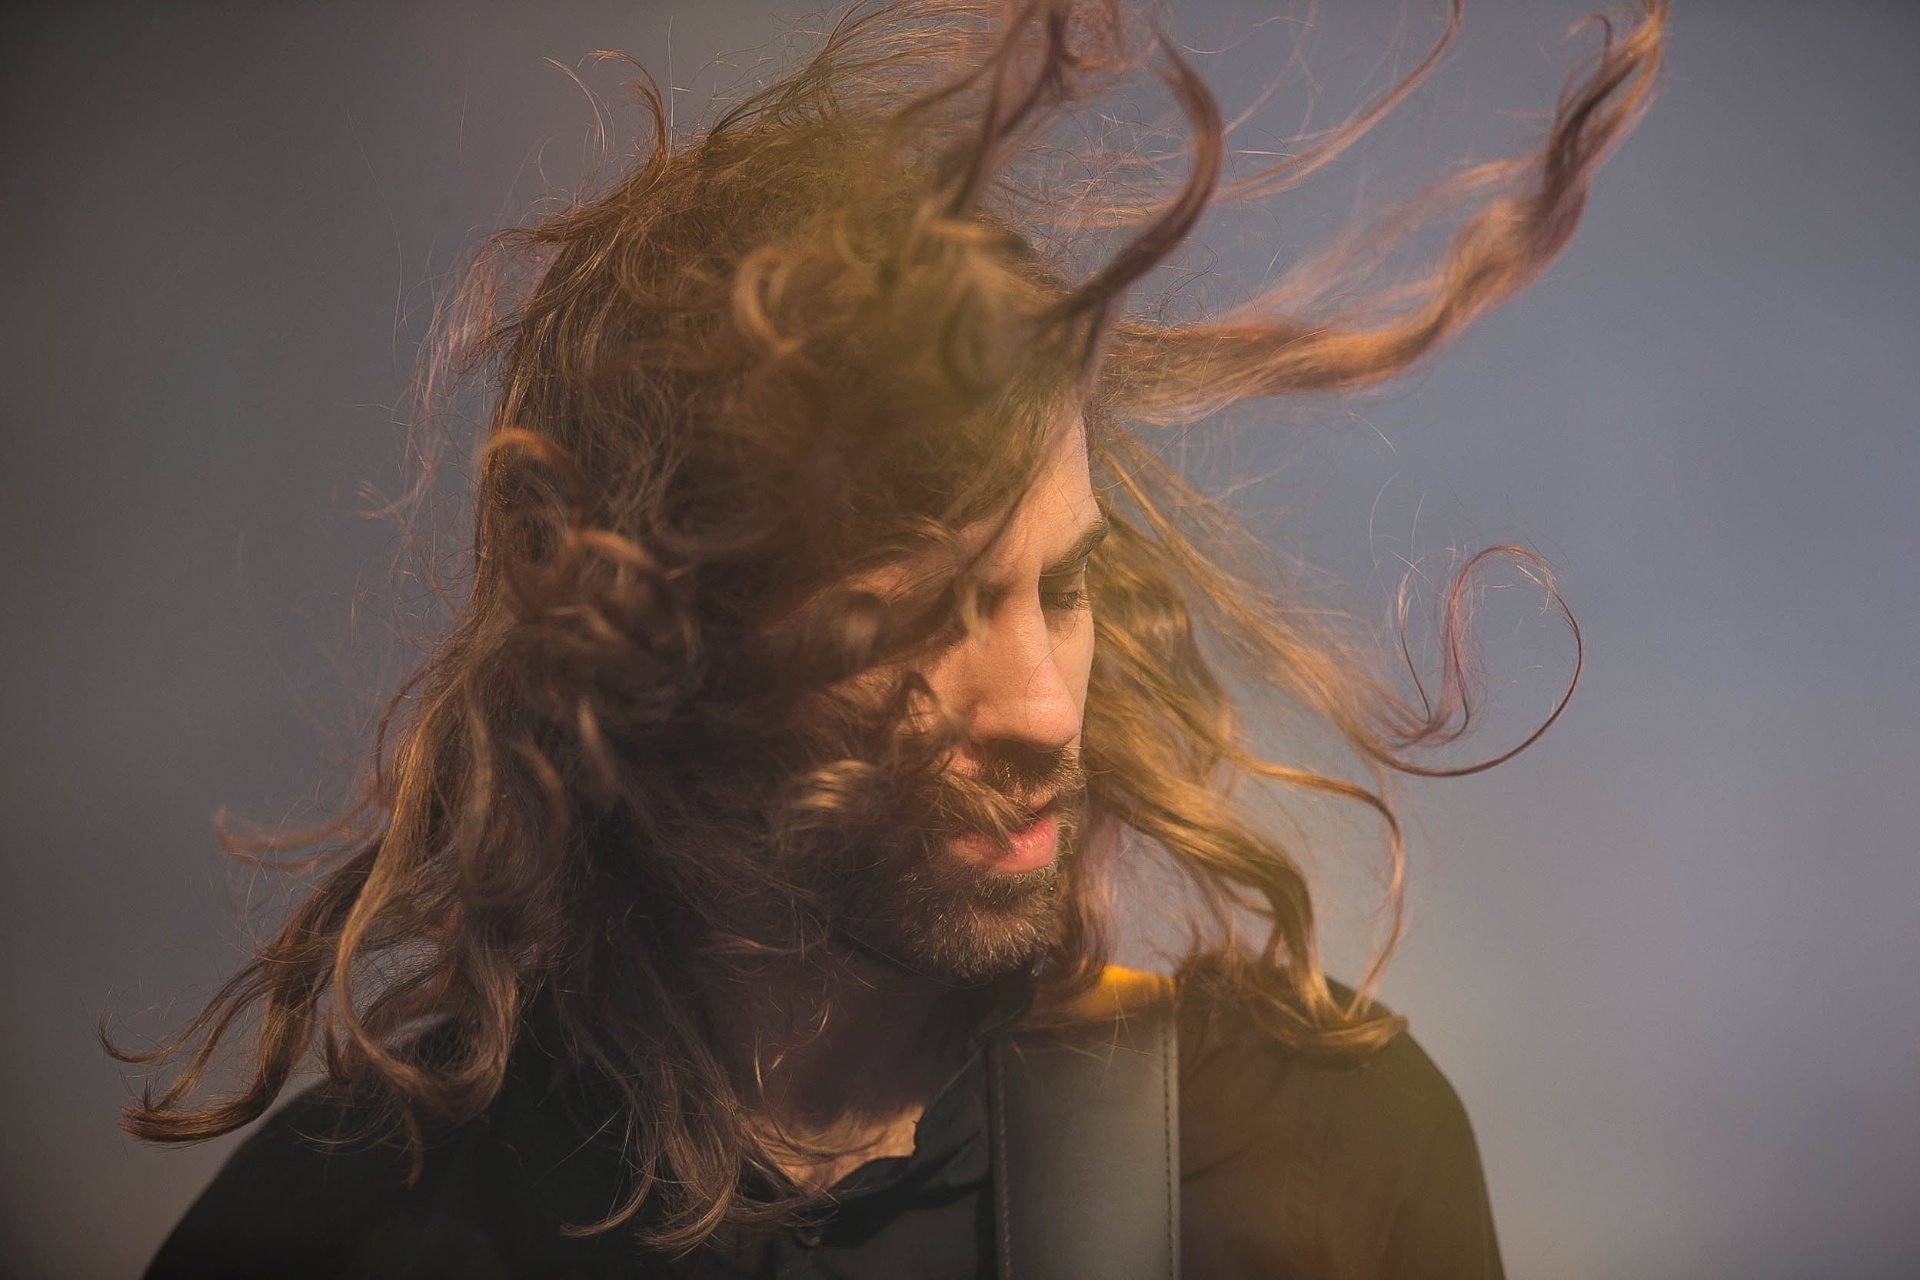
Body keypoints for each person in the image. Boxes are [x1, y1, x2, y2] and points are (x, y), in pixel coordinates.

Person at [113, 1, 1663, 1275]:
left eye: (1063, 588)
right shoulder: (334, 1239)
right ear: (647, 643)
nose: (1042, 711)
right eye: (920, 616)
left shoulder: (1327, 1155)